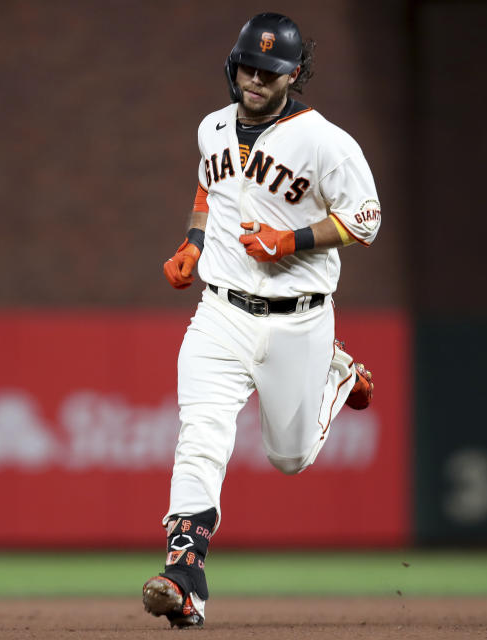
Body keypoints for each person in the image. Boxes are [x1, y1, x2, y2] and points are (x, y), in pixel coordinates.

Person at [142, 12, 380, 628]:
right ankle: (185, 573)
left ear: (293, 75)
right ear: (234, 64)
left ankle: (338, 375)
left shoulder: (325, 140)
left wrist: (293, 239)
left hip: (299, 320)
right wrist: (194, 244)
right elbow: (208, 189)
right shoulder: (214, 128)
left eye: (270, 71)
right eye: (248, 65)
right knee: (201, 435)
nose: (255, 78)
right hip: (219, 311)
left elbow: (367, 219)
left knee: (291, 458)